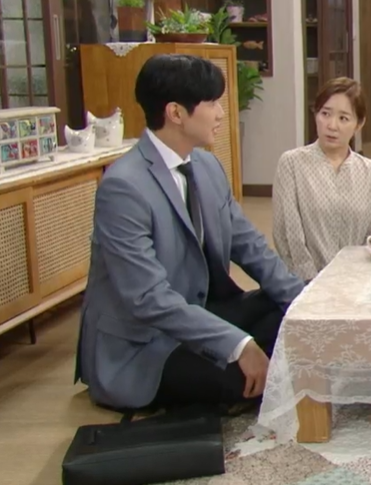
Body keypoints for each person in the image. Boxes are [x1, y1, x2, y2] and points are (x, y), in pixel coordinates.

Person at [75, 54, 305, 411]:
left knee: (292, 307)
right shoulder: (124, 188)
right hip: (146, 342)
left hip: (201, 312)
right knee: (240, 379)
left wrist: (308, 308)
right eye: (211, 103)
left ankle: (262, 359)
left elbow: (250, 246)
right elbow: (148, 298)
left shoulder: (207, 165)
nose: (221, 114)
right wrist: (240, 345)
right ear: (176, 113)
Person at [272, 78, 371, 281]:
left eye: (343, 118)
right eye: (325, 114)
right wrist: (312, 283)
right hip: (307, 284)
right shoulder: (292, 164)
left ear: (359, 124)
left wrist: (359, 277)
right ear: (315, 114)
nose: (332, 125)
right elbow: (287, 234)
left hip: (358, 281)